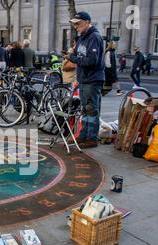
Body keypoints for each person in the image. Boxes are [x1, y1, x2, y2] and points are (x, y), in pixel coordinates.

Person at [65, 11, 105, 148]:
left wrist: (72, 57)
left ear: (87, 22)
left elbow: (92, 61)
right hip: (84, 79)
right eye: (74, 24)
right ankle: (83, 135)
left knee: (91, 109)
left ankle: (91, 138)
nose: (76, 26)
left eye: (78, 23)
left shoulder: (94, 37)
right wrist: (72, 55)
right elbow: (77, 55)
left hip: (92, 79)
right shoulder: (82, 37)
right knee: (85, 109)